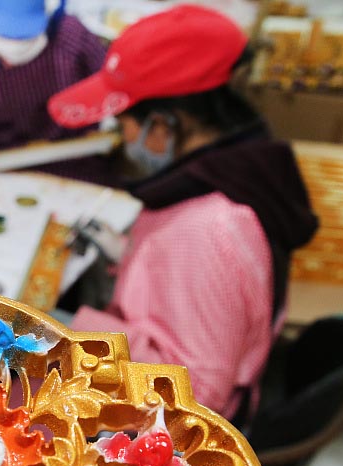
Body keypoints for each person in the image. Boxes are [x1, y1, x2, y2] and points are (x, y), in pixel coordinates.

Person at [47, 5, 319, 424]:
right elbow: (197, 292)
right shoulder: (237, 175)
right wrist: (122, 251)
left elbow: (198, 395)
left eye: (125, 124)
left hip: (169, 440)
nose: (122, 138)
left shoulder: (207, 229)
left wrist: (72, 328)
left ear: (163, 125)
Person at [0, 0, 114, 183]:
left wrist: (110, 121)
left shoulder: (71, 37)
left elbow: (110, 81)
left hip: (75, 161)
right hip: (1, 167)